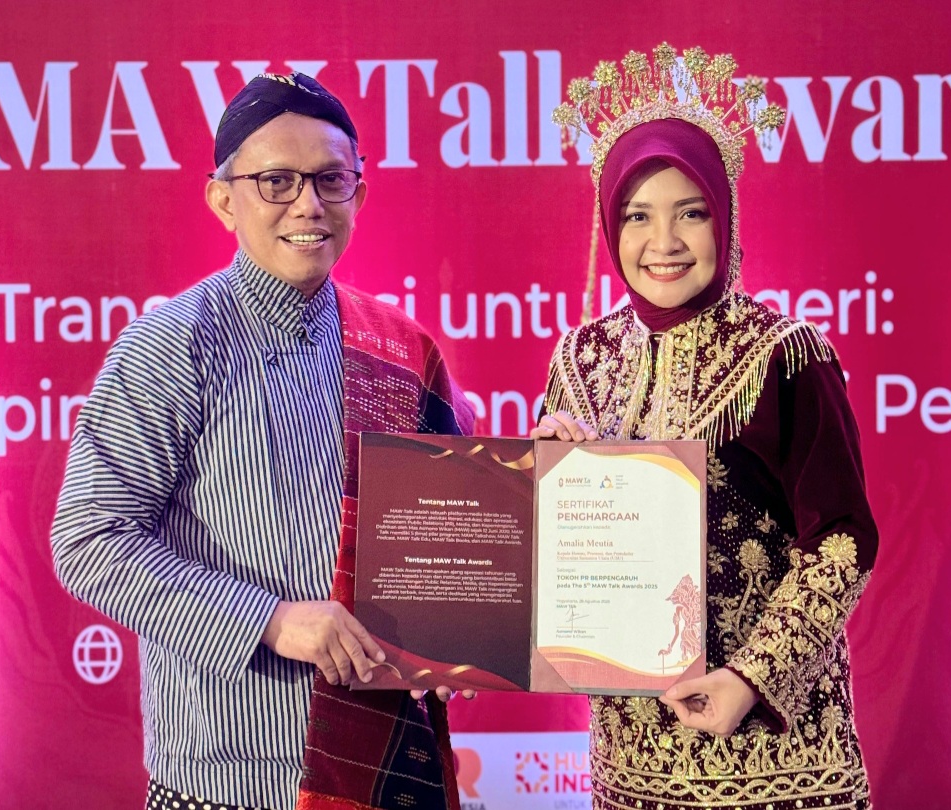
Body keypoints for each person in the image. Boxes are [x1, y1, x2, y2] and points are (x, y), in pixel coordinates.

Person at [51, 72, 475, 810]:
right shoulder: (171, 346)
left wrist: (554, 470)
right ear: (223, 199)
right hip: (229, 774)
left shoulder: (403, 348)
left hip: (386, 767)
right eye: (276, 181)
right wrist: (271, 621)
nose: (307, 205)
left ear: (359, 194)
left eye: (330, 179)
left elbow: (464, 524)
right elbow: (89, 539)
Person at [537, 45, 878, 809]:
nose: (664, 242)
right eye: (638, 216)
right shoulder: (580, 358)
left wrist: (752, 677)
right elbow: (563, 565)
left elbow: (844, 539)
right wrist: (543, 485)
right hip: (632, 762)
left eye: (690, 212)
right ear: (609, 225)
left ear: (724, 216)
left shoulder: (784, 354)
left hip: (776, 758)